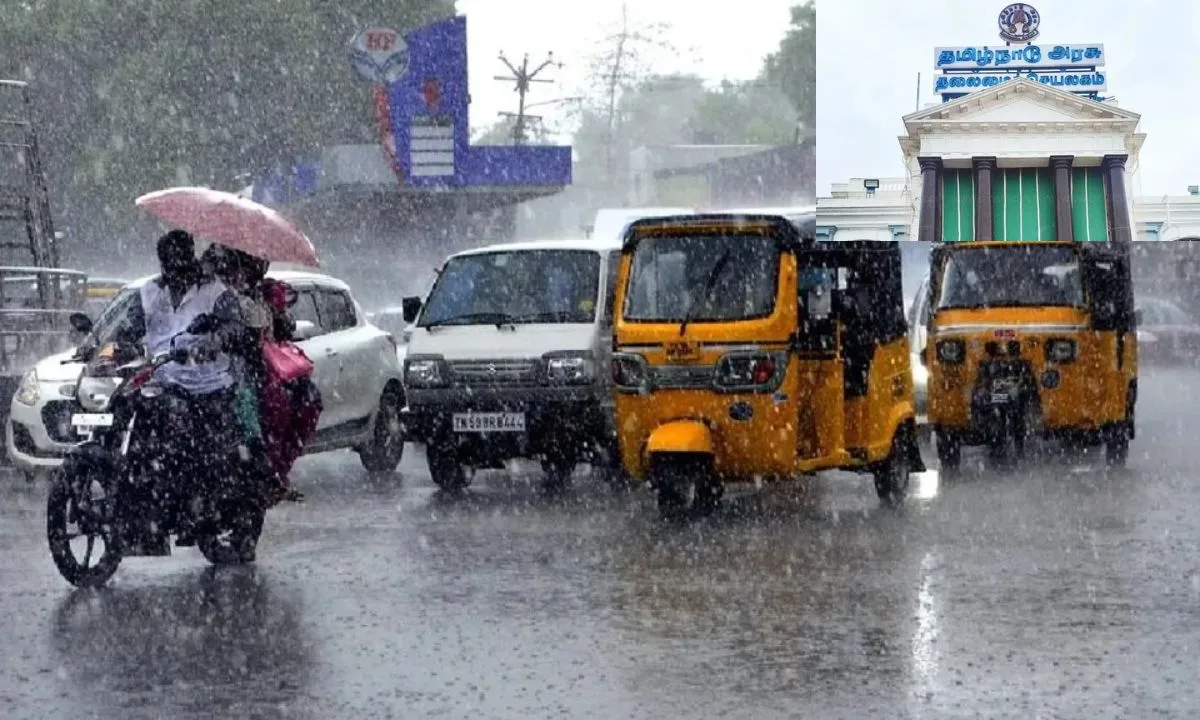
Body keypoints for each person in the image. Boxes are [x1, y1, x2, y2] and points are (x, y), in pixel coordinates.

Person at [123, 230, 254, 545]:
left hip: (208, 384)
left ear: (189, 258)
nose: (174, 272)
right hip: (162, 379)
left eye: (179, 262)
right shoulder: (148, 292)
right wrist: (116, 347)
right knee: (133, 418)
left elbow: (235, 327)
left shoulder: (216, 292)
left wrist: (214, 342)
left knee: (197, 447)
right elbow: (128, 329)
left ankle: (200, 506)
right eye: (168, 264)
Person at [205, 244, 321, 502]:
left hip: (265, 370)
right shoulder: (216, 295)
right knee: (264, 412)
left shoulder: (264, 294)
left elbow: (280, 329)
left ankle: (274, 473)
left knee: (303, 402)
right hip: (233, 372)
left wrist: (276, 315)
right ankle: (266, 472)